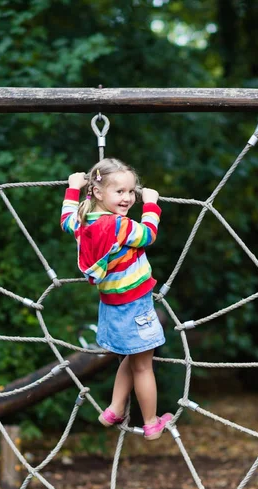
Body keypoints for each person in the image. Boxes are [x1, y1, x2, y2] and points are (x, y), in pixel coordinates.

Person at [61, 158, 172, 441]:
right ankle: (151, 422)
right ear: (98, 192)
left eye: (132, 192)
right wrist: (151, 203)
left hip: (110, 305)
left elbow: (65, 221)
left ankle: (113, 409)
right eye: (120, 192)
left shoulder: (84, 222)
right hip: (136, 304)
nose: (127, 198)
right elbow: (148, 235)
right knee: (144, 365)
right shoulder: (119, 226)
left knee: (131, 356)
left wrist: (73, 188)